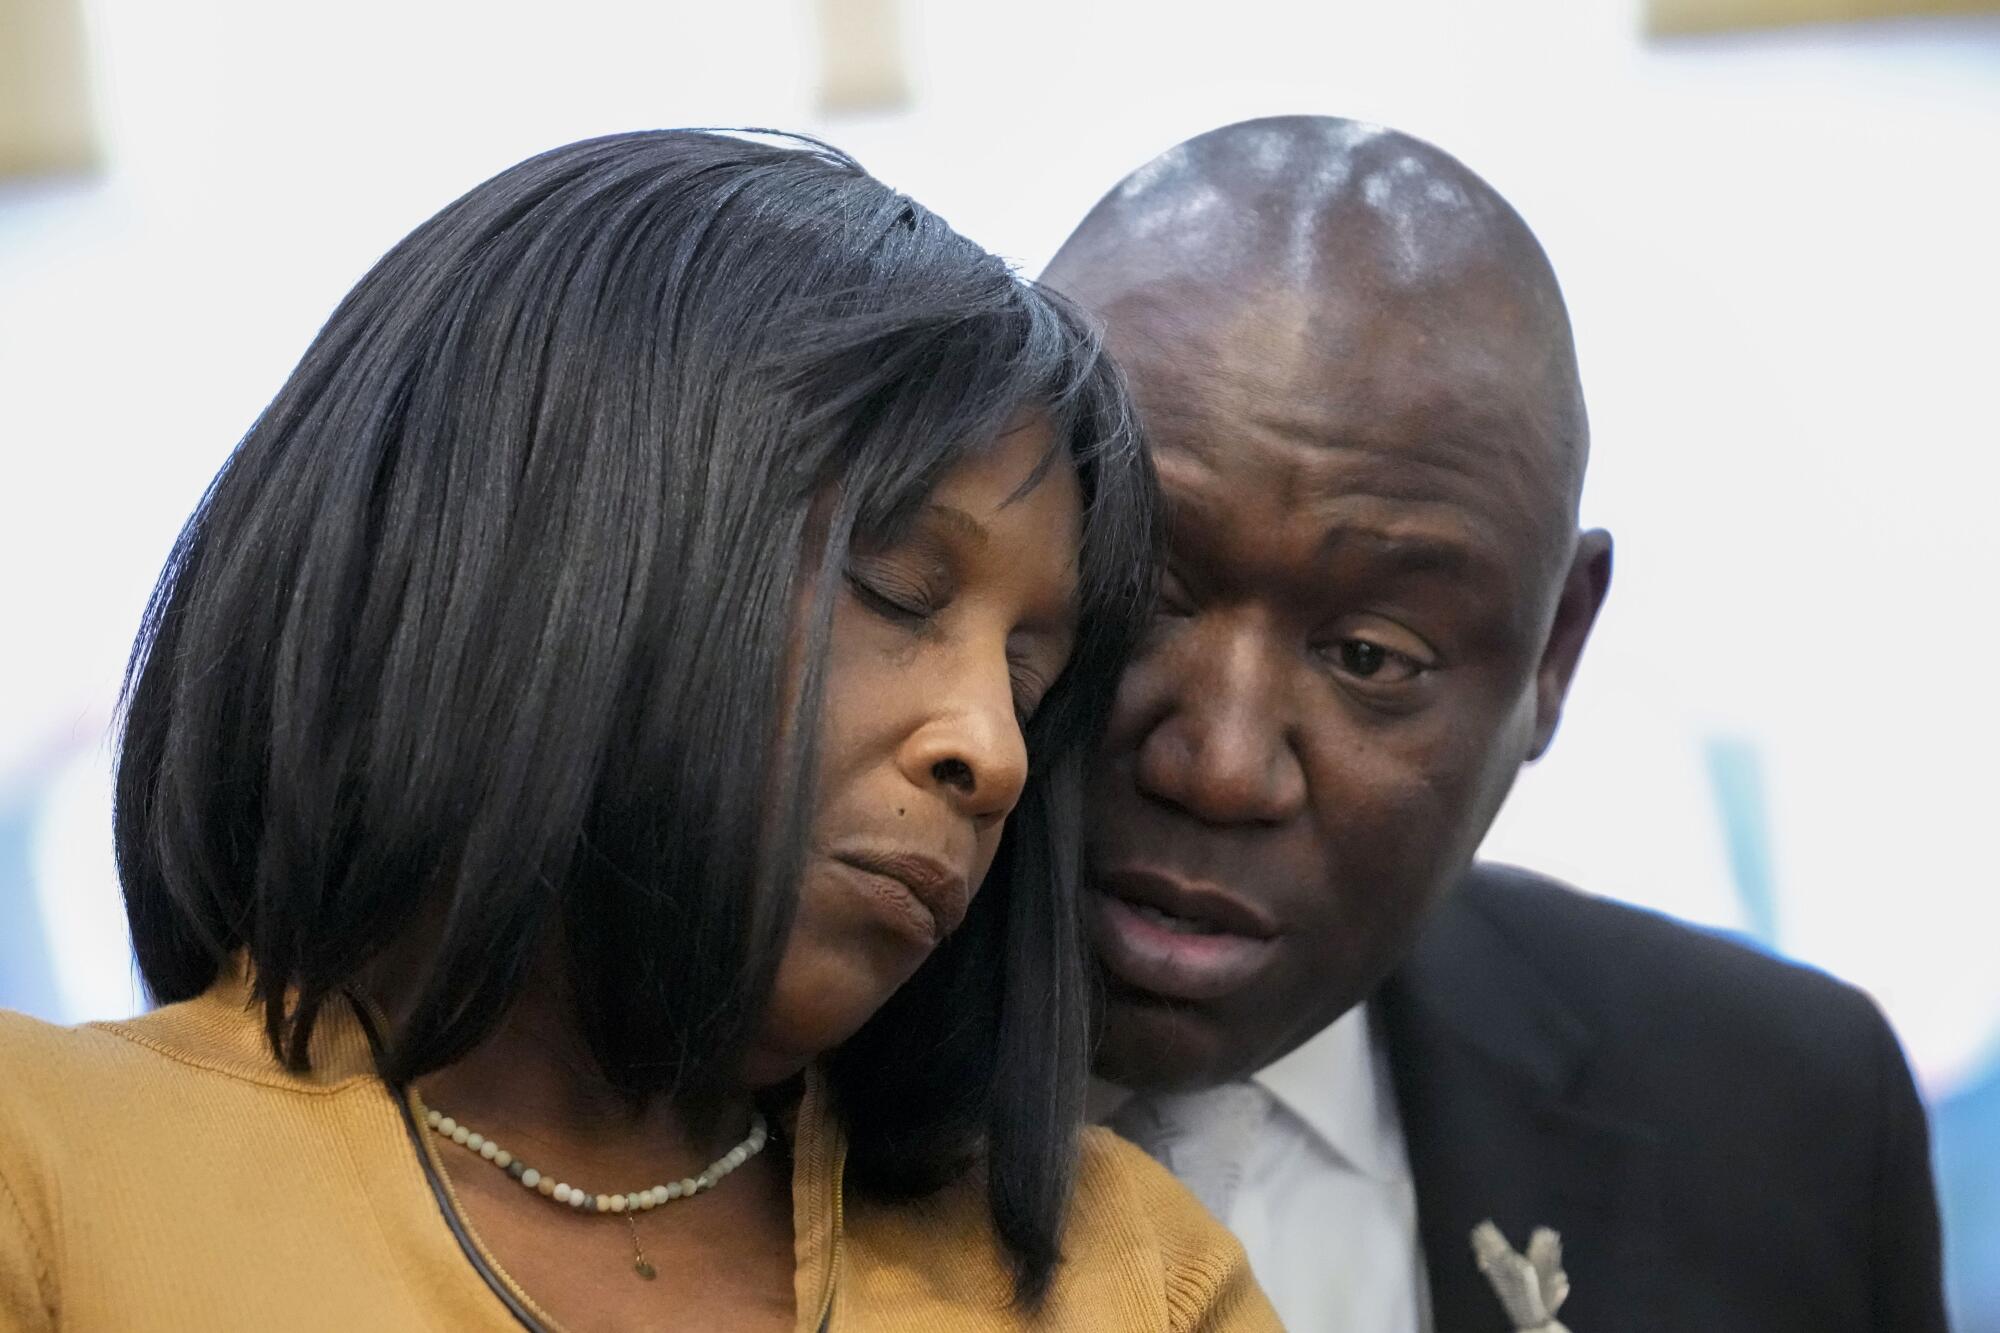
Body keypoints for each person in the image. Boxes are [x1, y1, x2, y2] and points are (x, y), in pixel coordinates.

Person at [0, 130, 1280, 1332]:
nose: (990, 750)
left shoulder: (1117, 1274)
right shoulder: (48, 1169)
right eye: (893, 588)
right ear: (543, 547)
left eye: (1029, 678)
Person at [1046, 116, 1948, 1333]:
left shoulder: (1782, 1122)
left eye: (1370, 657)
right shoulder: (737, 1093)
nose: (1217, 765)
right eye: (1139, 595)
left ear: (1554, 653)